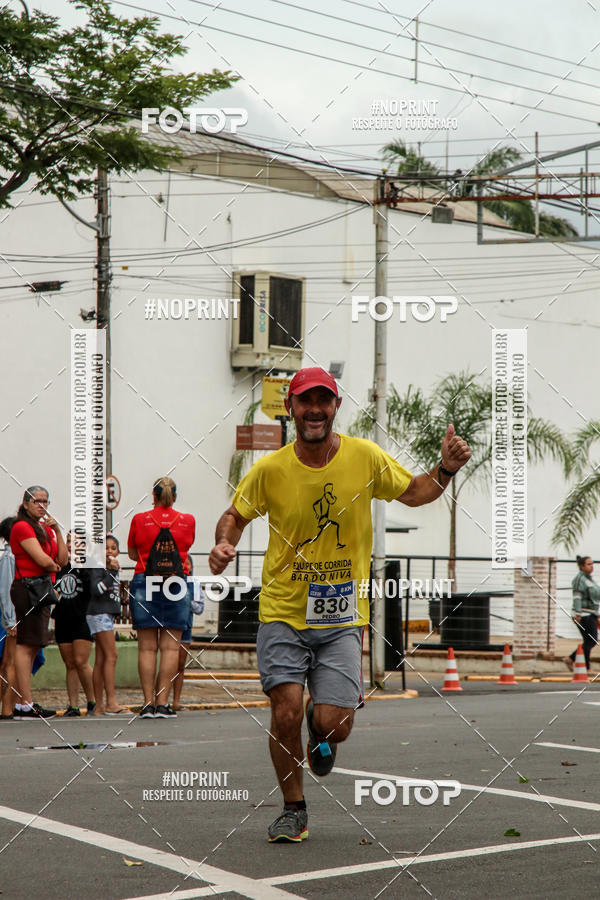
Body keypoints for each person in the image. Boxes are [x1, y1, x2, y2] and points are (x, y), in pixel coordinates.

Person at [209, 366, 471, 843]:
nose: (314, 410)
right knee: (283, 708)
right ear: (290, 408)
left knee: (336, 725)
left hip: (343, 617)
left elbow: (415, 492)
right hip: (283, 611)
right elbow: (234, 515)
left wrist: (447, 468)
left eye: (323, 401)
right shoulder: (270, 469)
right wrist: (224, 545)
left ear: (335, 407)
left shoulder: (363, 457)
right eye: (305, 401)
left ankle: (320, 725)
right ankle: (294, 807)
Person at [128, 477, 195, 719]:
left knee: (147, 648)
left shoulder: (139, 520)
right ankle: (163, 703)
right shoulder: (188, 521)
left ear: (153, 496)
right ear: (174, 496)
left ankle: (147, 703)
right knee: (170, 647)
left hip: (145, 579)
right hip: (176, 582)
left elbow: (133, 552)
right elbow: (186, 548)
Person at [10, 485, 67, 719]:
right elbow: (43, 560)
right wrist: (52, 565)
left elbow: (62, 559)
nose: (42, 505)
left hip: (43, 589)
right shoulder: (22, 526)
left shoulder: (47, 529)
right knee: (26, 644)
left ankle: (25, 700)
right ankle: (24, 702)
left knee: (34, 645)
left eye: (45, 501)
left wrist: (59, 532)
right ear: (25, 504)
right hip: (28, 588)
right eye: (36, 501)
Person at [53, 533, 95, 716]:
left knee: (81, 661)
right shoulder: (59, 564)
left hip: (82, 617)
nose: (71, 545)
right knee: (69, 663)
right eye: (69, 541)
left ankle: (93, 701)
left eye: (76, 542)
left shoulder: (88, 564)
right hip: (62, 617)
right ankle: (74, 705)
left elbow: (92, 586)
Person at [87, 534, 127, 715]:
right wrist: (111, 574)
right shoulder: (98, 566)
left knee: (102, 659)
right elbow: (96, 590)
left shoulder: (112, 568)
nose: (110, 551)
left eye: (113, 548)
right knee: (112, 656)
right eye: (106, 547)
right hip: (99, 614)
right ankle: (111, 702)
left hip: (105, 614)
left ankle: (99, 706)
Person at [564, 555, 600, 672]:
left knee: (589, 641)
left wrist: (597, 614)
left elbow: (594, 598)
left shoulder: (589, 579)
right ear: (581, 566)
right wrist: (578, 614)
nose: (592, 567)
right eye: (589, 564)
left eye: (592, 564)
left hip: (591, 614)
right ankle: (581, 664)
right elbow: (577, 597)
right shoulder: (579, 579)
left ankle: (574, 661)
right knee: (591, 640)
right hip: (583, 615)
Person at [172, 555, 197, 712]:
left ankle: (176, 701)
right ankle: (158, 699)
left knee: (180, 665)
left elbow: (199, 607)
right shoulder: (171, 582)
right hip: (171, 624)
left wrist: (186, 602)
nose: (185, 566)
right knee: (167, 664)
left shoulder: (193, 584)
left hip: (186, 626)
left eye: (187, 564)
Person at [0, 517, 17, 719]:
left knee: (9, 662)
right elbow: (6, 591)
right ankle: (7, 708)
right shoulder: (10, 558)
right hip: (13, 617)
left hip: (13, 616)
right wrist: (11, 620)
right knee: (9, 663)